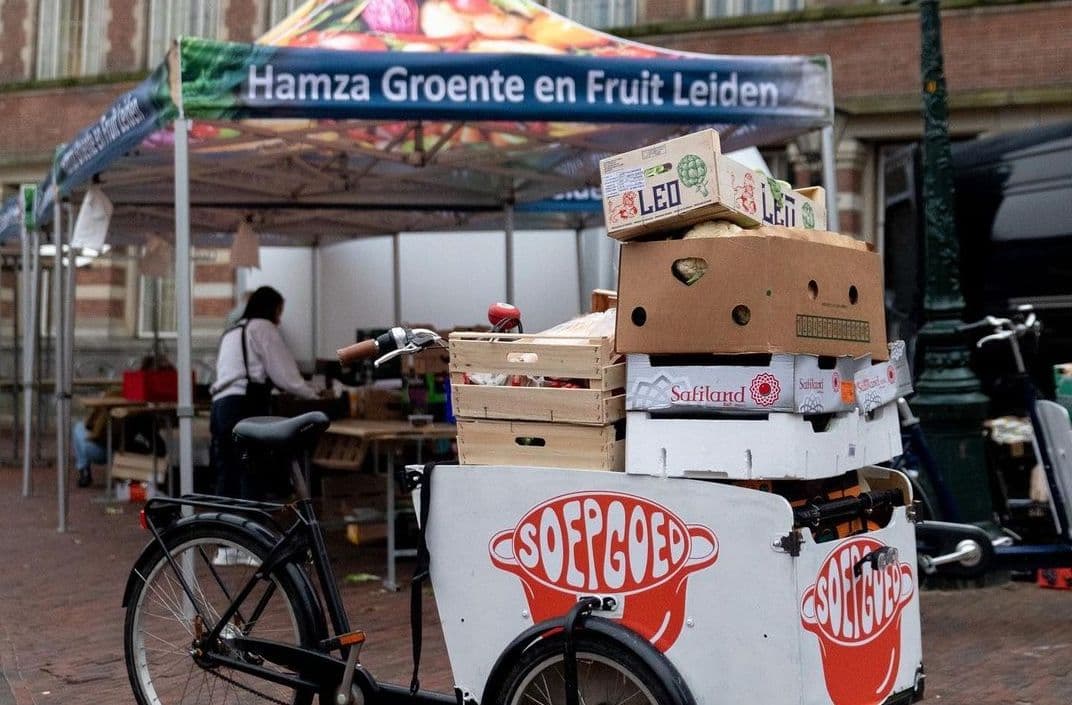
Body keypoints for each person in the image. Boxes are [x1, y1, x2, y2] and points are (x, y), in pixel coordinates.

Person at [209, 286, 318, 503]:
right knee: (252, 471)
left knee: (227, 473)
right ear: (271, 308)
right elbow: (285, 376)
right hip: (244, 405)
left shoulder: (232, 330)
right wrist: (313, 394)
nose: (279, 319)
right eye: (278, 311)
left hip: (220, 406)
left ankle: (225, 530)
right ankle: (250, 531)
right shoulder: (262, 327)